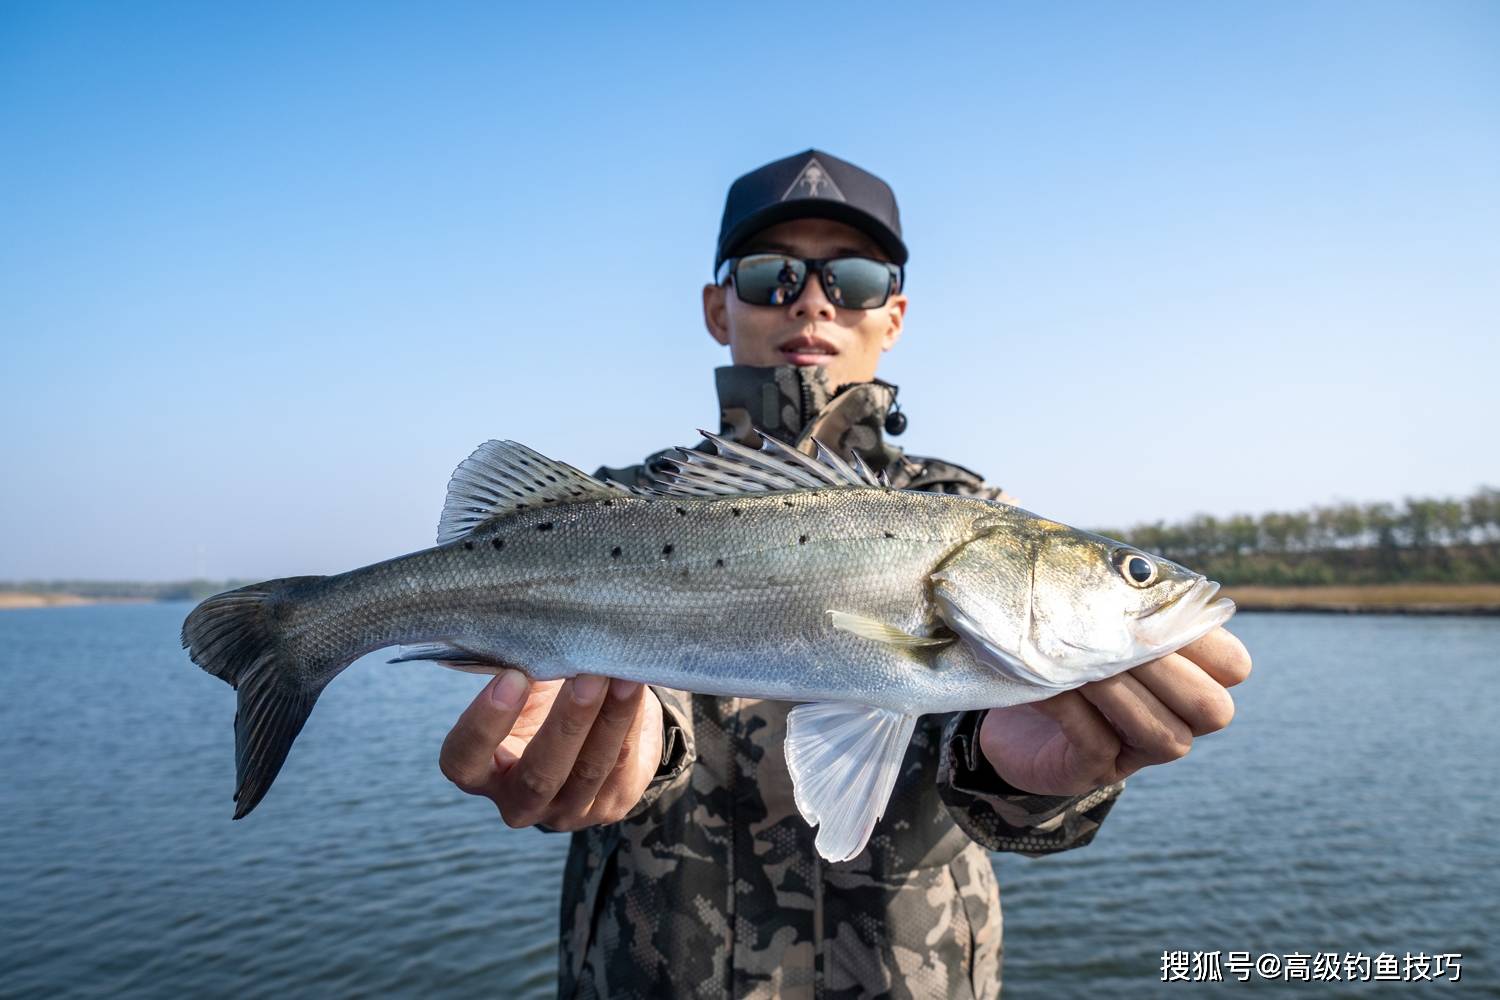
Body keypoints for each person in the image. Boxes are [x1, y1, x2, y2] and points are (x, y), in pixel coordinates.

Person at [437, 150, 1252, 999]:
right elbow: (658, 694)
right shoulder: (625, 512)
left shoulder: (972, 508)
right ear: (718, 307)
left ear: (892, 314)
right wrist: (623, 748)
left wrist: (1029, 779)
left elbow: (991, 765)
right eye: (770, 273)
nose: (813, 300)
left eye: (854, 278)